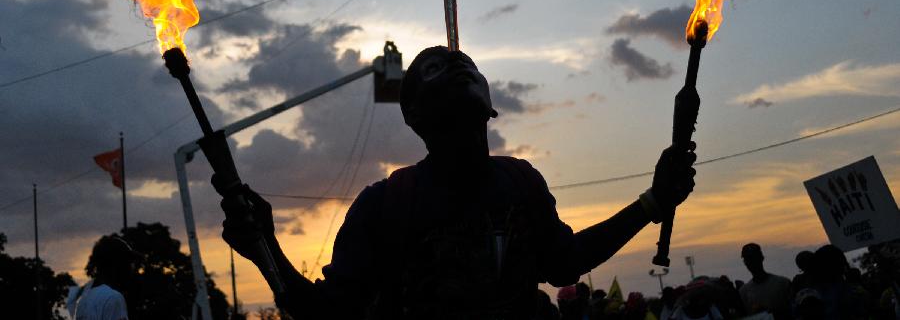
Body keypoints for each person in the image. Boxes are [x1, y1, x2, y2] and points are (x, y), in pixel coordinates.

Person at [213, 46, 698, 319]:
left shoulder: (519, 181)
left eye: (471, 121)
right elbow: (329, 317)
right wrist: (266, 250)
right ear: (419, 125)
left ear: (487, 115)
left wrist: (653, 201)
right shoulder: (385, 206)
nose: (466, 137)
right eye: (450, 122)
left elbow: (563, 263)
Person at [70, 235, 137, 320]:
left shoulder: (83, 301)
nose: (132, 269)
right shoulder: (113, 297)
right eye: (128, 263)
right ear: (117, 265)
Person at [738, 243, 792, 320]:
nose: (751, 262)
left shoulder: (783, 283)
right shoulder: (743, 292)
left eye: (754, 258)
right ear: (745, 263)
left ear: (761, 258)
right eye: (748, 259)